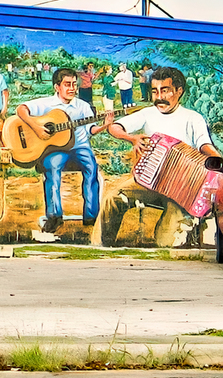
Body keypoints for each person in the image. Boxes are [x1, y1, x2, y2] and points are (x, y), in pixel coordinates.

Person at [92, 66, 221, 248]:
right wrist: (132, 138)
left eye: (165, 91)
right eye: (155, 91)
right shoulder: (147, 114)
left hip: (181, 191)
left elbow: (204, 146)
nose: (159, 97)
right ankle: (100, 248)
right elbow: (115, 127)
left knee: (166, 243)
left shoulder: (193, 118)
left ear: (179, 91)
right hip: (149, 181)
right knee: (113, 198)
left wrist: (219, 162)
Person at [16, 68, 113, 234]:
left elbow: (91, 130)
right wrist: (37, 128)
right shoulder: (46, 104)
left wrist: (105, 125)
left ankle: (91, 216)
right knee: (52, 167)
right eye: (67, 84)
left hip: (80, 148)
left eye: (74, 84)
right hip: (57, 149)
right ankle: (54, 216)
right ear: (57, 87)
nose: (72, 88)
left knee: (91, 167)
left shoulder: (83, 106)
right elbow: (21, 109)